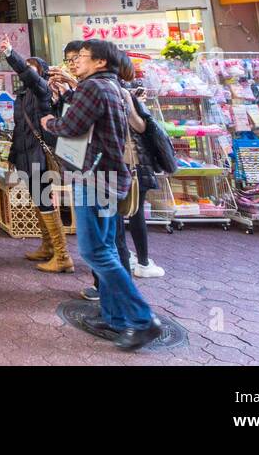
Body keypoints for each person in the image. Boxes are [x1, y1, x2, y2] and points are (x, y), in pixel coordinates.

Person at [40, 40, 162, 351]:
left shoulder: (94, 88)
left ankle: (141, 319)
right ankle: (114, 317)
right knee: (106, 246)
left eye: (81, 57)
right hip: (109, 177)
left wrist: (49, 122)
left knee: (96, 252)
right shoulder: (114, 88)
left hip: (93, 178)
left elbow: (71, 125)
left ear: (100, 62)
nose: (75, 62)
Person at [0, 36, 71, 272]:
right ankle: (47, 246)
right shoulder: (23, 96)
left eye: (32, 67)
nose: (27, 71)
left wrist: (11, 53)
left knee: (44, 200)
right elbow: (21, 128)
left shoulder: (41, 89)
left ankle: (62, 256)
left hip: (38, 154)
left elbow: (28, 75)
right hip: (25, 154)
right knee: (38, 200)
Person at [115, 52, 164, 279]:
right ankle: (132, 260)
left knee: (131, 213)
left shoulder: (122, 92)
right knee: (129, 214)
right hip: (127, 162)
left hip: (132, 162)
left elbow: (141, 126)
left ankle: (138, 261)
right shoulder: (122, 91)